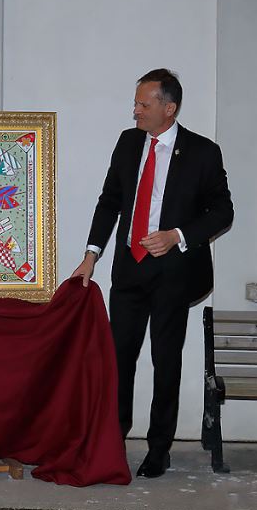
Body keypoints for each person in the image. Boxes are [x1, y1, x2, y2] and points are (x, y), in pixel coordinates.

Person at [71, 69, 233, 478]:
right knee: (118, 358)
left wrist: (177, 236)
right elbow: (109, 201)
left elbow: (222, 211)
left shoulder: (202, 152)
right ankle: (113, 438)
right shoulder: (128, 143)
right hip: (129, 269)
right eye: (136, 103)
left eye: (144, 104)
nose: (136, 111)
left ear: (169, 108)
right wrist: (91, 254)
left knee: (165, 360)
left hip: (173, 272)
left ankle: (159, 449)